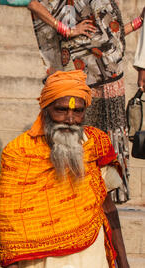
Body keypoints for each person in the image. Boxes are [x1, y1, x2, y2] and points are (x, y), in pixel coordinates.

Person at [0, 70, 134, 268]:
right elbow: (8, 226)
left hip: (91, 264)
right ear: (46, 109)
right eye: (61, 110)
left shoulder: (95, 143)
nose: (70, 119)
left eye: (77, 111)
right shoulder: (18, 153)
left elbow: (109, 209)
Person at [27, 0, 145, 204]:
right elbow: (32, 3)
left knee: (107, 146)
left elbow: (109, 35)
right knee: (80, 141)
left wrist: (138, 22)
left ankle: (104, 199)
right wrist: (66, 29)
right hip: (83, 77)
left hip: (112, 76)